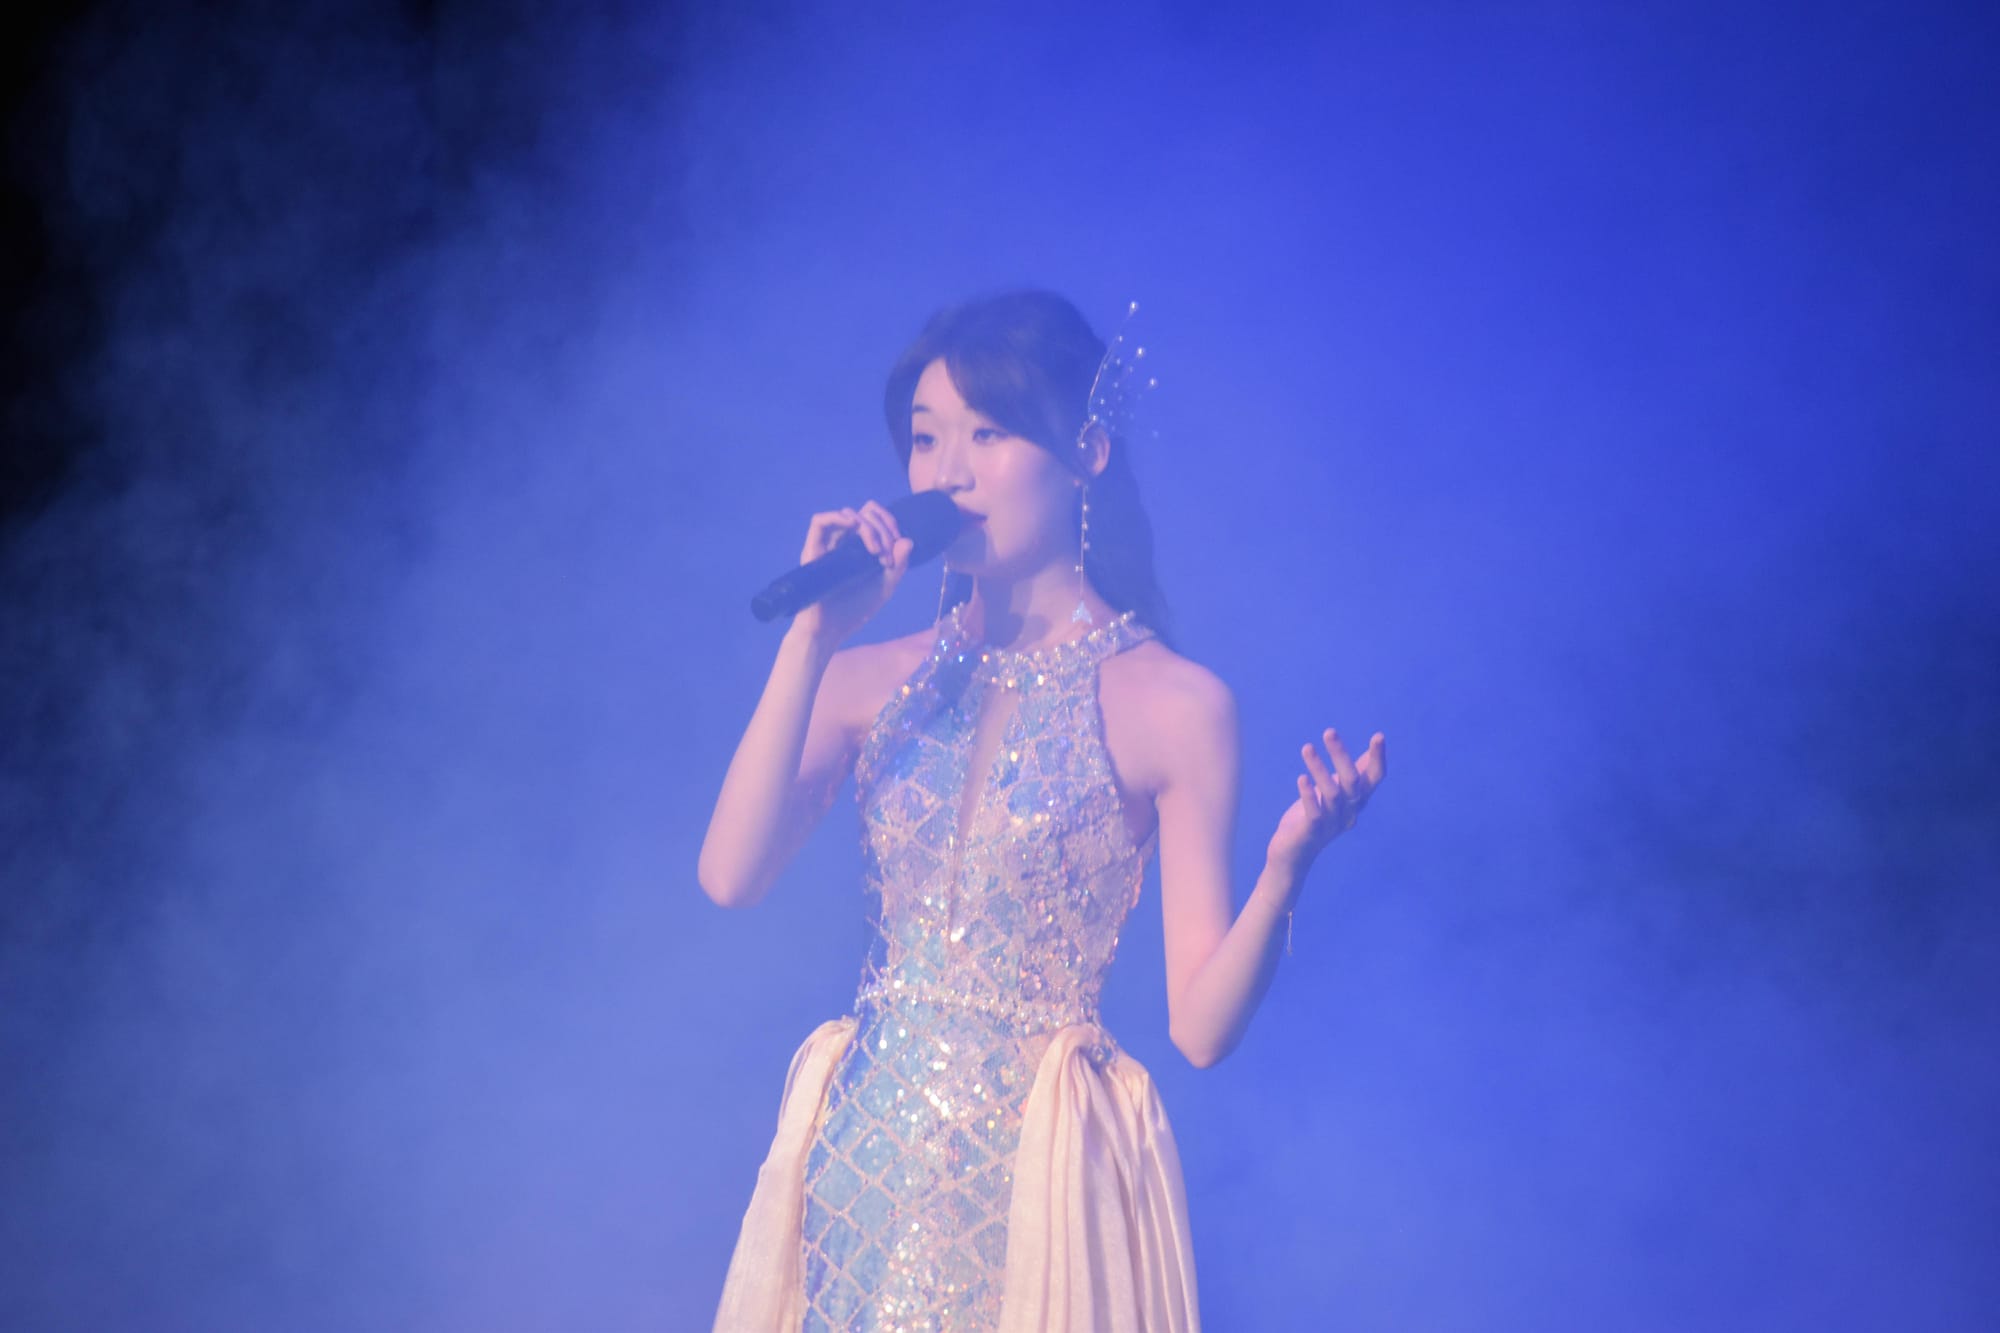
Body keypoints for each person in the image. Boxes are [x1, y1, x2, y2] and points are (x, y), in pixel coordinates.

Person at [699, 291, 1386, 1331]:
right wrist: (810, 640)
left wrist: (1286, 868)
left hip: (1038, 1186)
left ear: (1085, 453)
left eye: (988, 433)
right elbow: (729, 875)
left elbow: (1200, 1029)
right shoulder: (865, 674)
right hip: (859, 1162)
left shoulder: (1176, 703)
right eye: (925, 439)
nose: (948, 473)